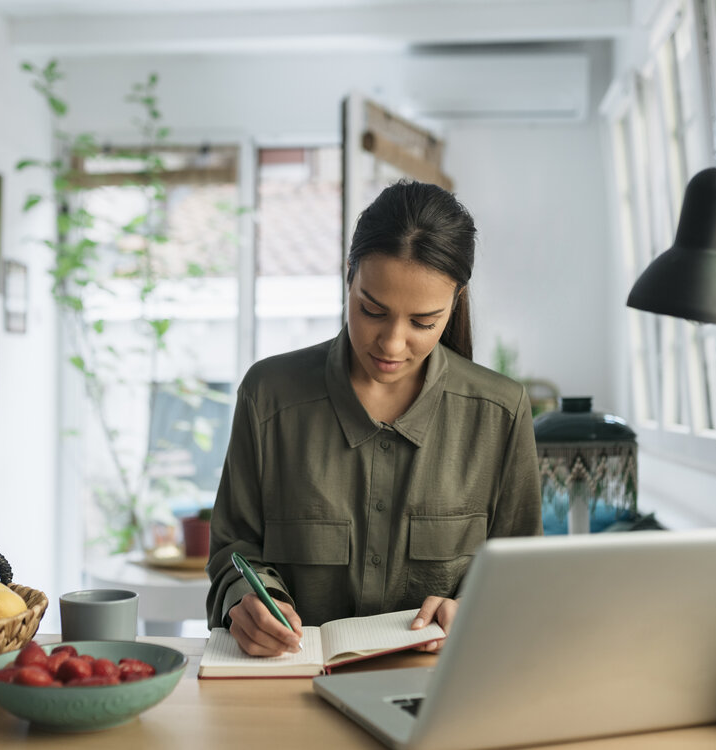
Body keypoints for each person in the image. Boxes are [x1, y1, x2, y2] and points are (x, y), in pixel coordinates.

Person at [206, 180, 542, 657]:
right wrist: (248, 602)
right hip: (290, 686)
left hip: (438, 691)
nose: (391, 344)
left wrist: (477, 608)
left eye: (423, 322)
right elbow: (233, 551)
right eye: (372, 310)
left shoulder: (500, 413)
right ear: (349, 276)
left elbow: (523, 576)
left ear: (456, 301)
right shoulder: (269, 396)